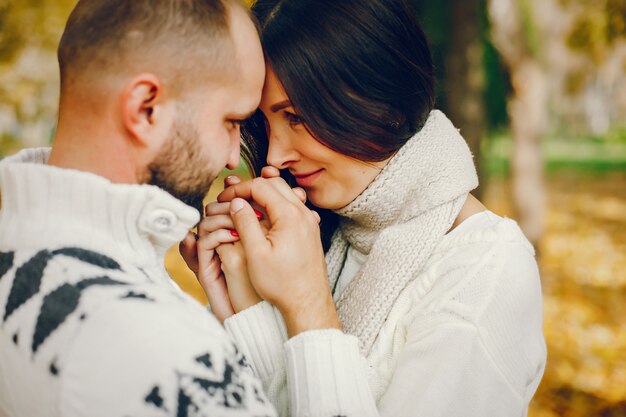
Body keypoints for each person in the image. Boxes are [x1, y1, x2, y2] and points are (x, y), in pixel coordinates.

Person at [0, 1, 377, 416]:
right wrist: (309, 304)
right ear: (146, 108)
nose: (237, 157)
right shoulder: (163, 352)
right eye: (231, 122)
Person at [182, 0, 547, 416]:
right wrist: (243, 303)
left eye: (297, 118)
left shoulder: (487, 271)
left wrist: (307, 303)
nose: (275, 157)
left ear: (380, 96)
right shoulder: (320, 231)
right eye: (264, 125)